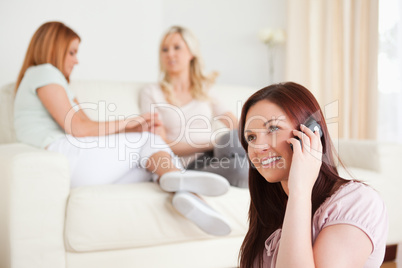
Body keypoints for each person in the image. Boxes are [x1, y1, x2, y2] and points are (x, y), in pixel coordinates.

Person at [13, 21, 232, 236]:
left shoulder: (54, 80)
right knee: (150, 141)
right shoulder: (44, 72)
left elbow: (88, 129)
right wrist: (131, 123)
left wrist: (132, 130)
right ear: (53, 48)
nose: (76, 60)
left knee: (149, 164)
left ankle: (191, 200)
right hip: (62, 157)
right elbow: (79, 128)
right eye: (71, 52)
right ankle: (184, 184)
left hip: (74, 163)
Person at [238, 82, 388, 267]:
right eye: (251, 137)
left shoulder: (358, 202)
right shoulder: (272, 210)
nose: (258, 147)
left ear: (311, 132)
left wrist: (300, 190)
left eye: (273, 129)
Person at [140, 25, 248, 188]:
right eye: (164, 49)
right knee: (241, 169)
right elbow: (161, 144)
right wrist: (213, 143)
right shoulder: (151, 92)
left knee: (236, 138)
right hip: (189, 164)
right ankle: (187, 182)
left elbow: (234, 124)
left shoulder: (205, 89)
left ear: (191, 53)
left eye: (177, 47)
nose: (170, 54)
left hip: (219, 152)